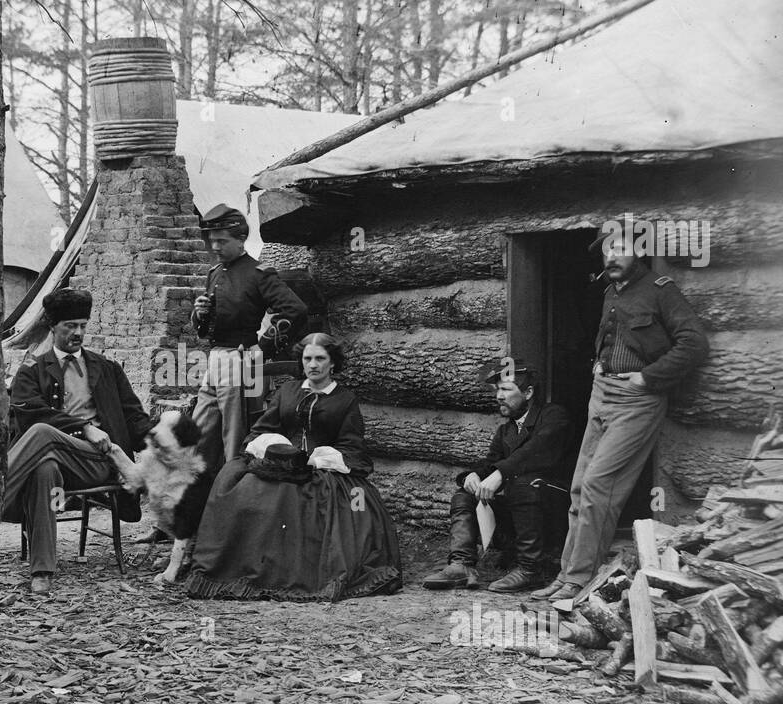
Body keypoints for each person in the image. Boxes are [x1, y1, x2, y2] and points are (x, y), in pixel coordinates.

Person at [533, 226, 709, 601]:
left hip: (637, 402)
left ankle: (580, 580)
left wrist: (648, 377)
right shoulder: (611, 290)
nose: (611, 257)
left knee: (599, 488)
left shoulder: (662, 291)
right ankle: (565, 576)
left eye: (621, 249)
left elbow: (694, 343)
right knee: (579, 489)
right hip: (602, 395)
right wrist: (599, 365)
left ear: (640, 252)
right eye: (606, 251)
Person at [186, 333, 401, 601]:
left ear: (332, 362)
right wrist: (276, 449)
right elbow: (261, 430)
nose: (313, 365)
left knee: (326, 506)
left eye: (320, 359)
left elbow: (353, 447)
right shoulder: (287, 391)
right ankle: (241, 566)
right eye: (307, 358)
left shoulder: (345, 400)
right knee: (234, 482)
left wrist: (317, 459)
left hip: (326, 472)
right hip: (280, 464)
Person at [4, 288, 154, 596]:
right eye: (70, 326)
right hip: (55, 461)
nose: (78, 332)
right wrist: (84, 427)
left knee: (43, 434)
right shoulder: (31, 371)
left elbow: (133, 416)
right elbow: (29, 415)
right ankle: (42, 570)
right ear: (52, 327)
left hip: (97, 462)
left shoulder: (107, 368)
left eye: (82, 325)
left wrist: (159, 435)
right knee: (43, 467)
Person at [422, 361, 571, 594]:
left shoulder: (553, 415)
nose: (499, 396)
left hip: (555, 510)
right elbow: (489, 464)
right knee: (464, 496)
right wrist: (471, 476)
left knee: (524, 484)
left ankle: (531, 568)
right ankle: (461, 564)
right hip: (522, 512)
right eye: (497, 391)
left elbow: (534, 450)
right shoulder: (507, 431)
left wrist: (501, 473)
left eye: (506, 390)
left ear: (528, 392)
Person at [190, 203, 308, 472]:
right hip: (215, 359)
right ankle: (199, 499)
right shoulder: (215, 273)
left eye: (222, 241)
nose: (215, 247)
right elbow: (205, 328)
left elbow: (295, 309)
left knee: (234, 437)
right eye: (212, 241)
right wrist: (200, 314)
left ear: (241, 239)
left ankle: (232, 494)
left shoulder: (259, 273)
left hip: (242, 359)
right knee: (200, 433)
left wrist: (263, 349)